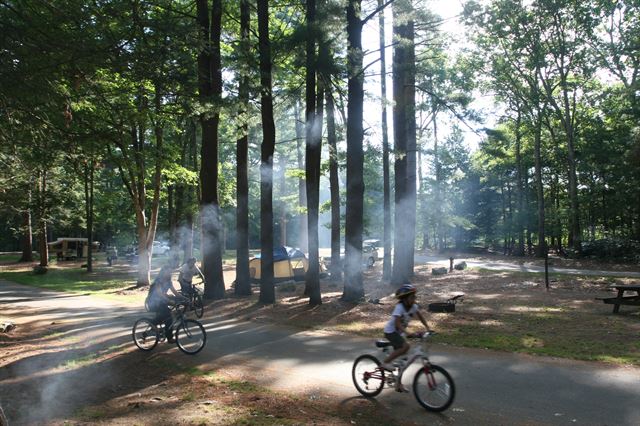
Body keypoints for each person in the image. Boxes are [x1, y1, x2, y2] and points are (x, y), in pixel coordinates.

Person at [381, 283, 431, 391]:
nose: (414, 299)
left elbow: (420, 316)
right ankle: (384, 363)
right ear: (404, 299)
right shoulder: (399, 307)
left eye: (415, 297)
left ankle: (398, 384)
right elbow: (397, 324)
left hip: (399, 333)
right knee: (406, 347)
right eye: (412, 297)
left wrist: (428, 327)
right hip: (390, 331)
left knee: (402, 360)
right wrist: (407, 332)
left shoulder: (413, 307)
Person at [146, 265, 182, 342]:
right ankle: (169, 337)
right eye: (168, 271)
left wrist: (185, 299)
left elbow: (175, 292)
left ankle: (157, 328)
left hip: (161, 301)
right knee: (168, 316)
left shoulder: (169, 282)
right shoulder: (158, 281)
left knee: (167, 316)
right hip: (153, 302)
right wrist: (169, 301)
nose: (169, 273)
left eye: (170, 272)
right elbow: (160, 294)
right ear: (163, 272)